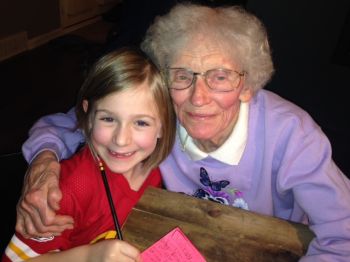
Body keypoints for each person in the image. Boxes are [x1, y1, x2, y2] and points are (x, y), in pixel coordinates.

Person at [13, 2, 350, 261]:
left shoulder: (292, 135)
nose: (198, 97)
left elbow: (343, 234)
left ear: (248, 86)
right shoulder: (158, 113)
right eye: (182, 75)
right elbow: (64, 125)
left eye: (220, 77)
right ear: (164, 79)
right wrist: (44, 164)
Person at [2, 48, 176, 261]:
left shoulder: (156, 167)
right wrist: (87, 256)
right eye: (108, 119)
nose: (121, 140)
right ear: (89, 115)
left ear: (162, 127)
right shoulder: (70, 189)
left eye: (141, 123)